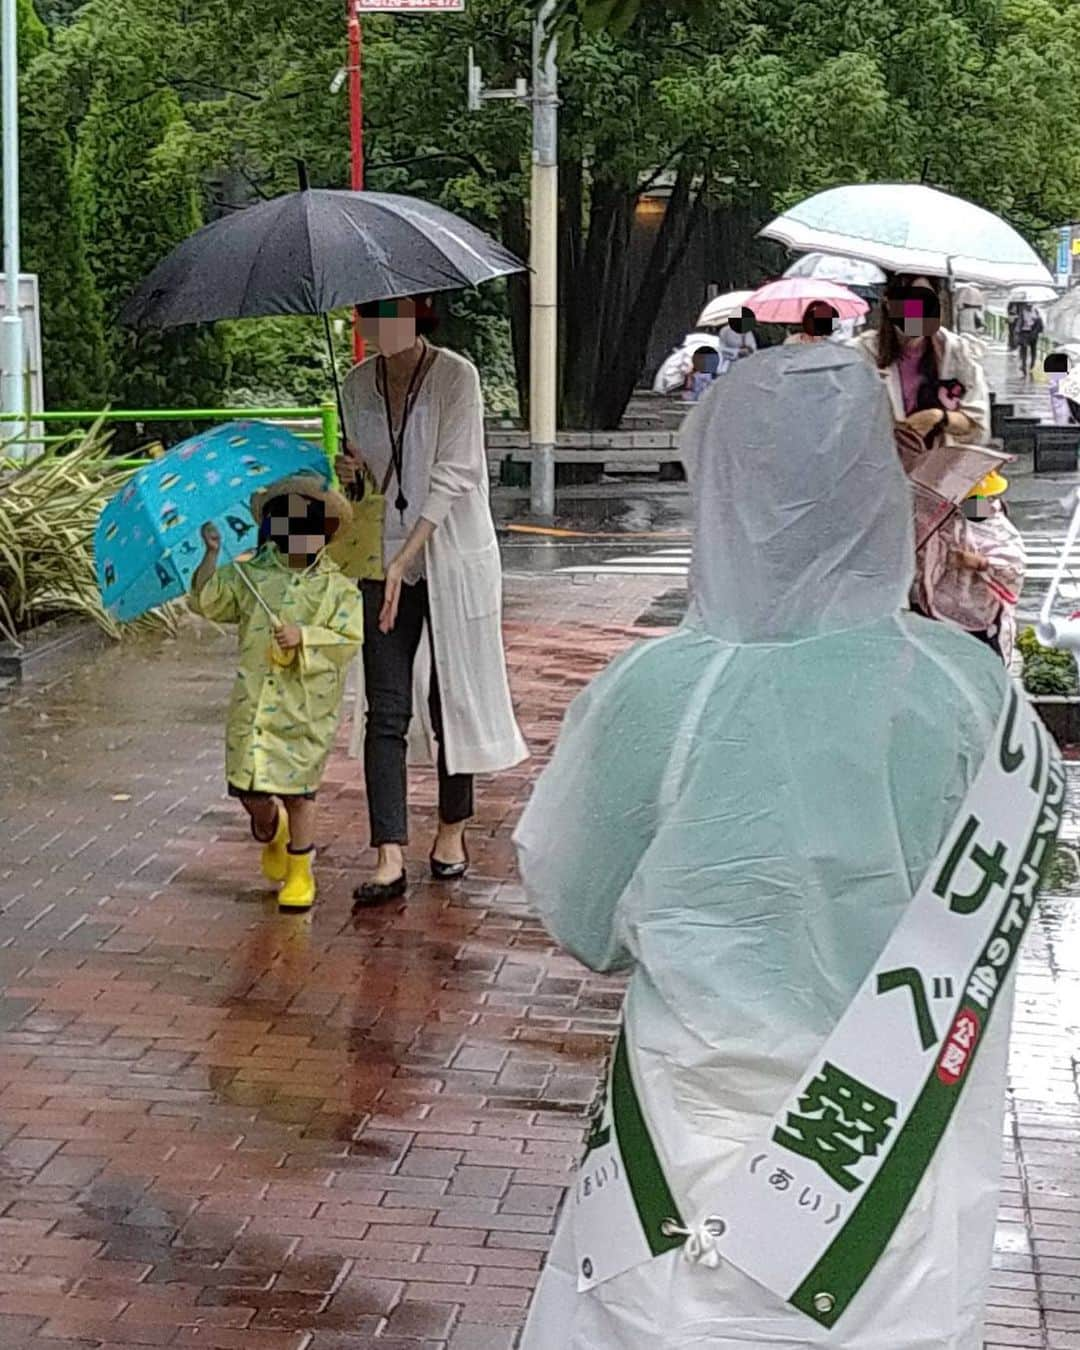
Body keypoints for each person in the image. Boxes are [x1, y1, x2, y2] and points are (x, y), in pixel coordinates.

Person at [514, 344, 1059, 1349]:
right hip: (890, 1166)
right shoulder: (965, 688)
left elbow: (582, 915)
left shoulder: (659, 696)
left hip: (672, 1167)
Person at [337, 295, 528, 906]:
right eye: (371, 315)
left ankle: (452, 830)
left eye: (394, 313)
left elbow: (455, 472)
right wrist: (351, 476)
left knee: (453, 699)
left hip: (449, 556)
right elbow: (367, 487)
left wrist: (406, 555)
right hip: (379, 559)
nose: (381, 326)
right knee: (384, 706)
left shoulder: (456, 376)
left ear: (419, 315)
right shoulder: (355, 386)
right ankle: (388, 852)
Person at [190, 475, 364, 912]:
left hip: (303, 708)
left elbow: (348, 638)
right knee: (249, 788)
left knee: (299, 792)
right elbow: (208, 601)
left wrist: (304, 636)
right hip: (254, 704)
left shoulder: (337, 588)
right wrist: (212, 554)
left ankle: (301, 870)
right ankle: (270, 828)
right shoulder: (251, 575)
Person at [852, 272, 990, 445]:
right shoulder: (862, 353)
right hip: (881, 465)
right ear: (889, 304)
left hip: (939, 466)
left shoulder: (956, 352)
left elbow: (977, 425)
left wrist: (938, 418)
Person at [913, 470, 1026, 666]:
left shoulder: (994, 524)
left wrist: (974, 562)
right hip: (938, 615)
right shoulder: (941, 519)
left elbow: (1012, 566)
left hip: (980, 616)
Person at [1014, 303, 1044, 378]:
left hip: (1033, 334)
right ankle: (1024, 367)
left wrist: (1035, 321)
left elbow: (1040, 323)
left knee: (1033, 351)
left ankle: (1032, 366)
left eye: (1030, 305)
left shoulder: (1036, 311)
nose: (1029, 306)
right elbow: (1019, 324)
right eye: (1028, 305)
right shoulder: (1023, 312)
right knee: (1024, 351)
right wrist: (1017, 332)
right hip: (1024, 333)